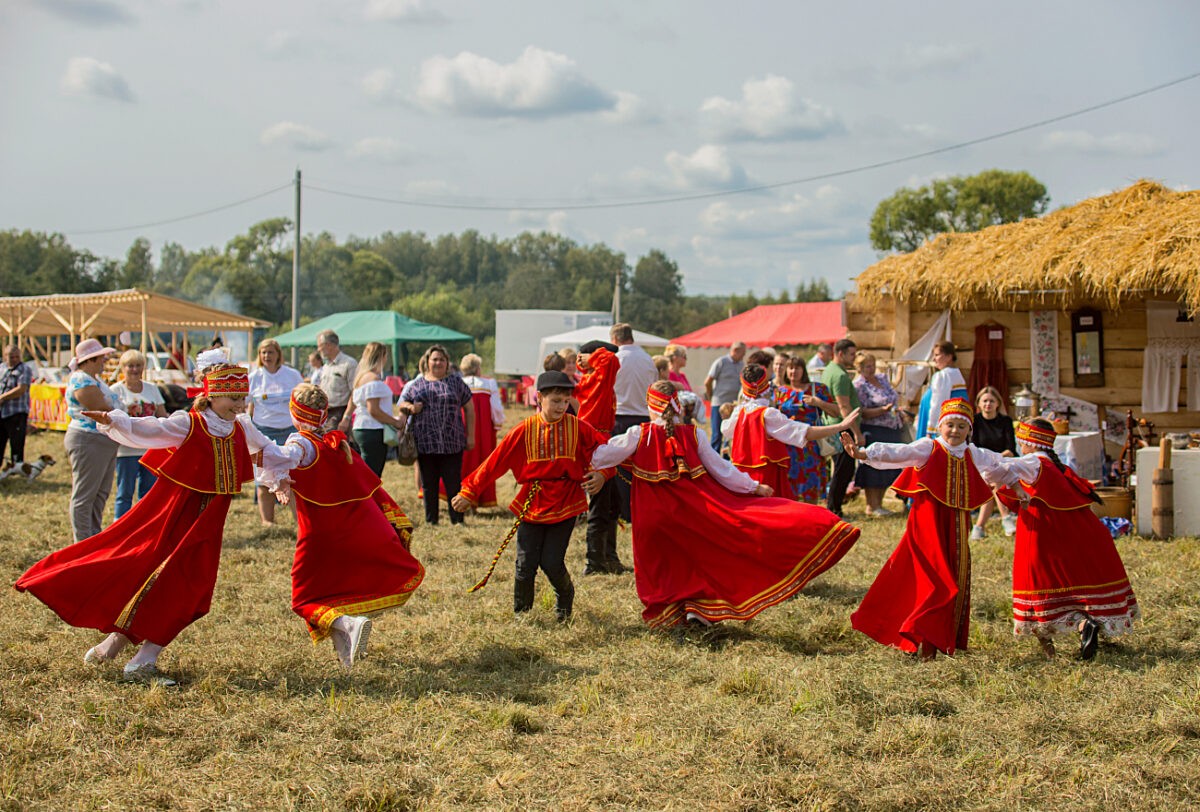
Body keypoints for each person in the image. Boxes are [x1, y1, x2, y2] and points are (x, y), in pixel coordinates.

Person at [15, 356, 294, 685]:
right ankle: (138, 656)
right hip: (175, 514)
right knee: (149, 571)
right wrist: (114, 420)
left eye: (242, 398)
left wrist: (286, 473)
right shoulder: (191, 422)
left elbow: (267, 450)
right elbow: (152, 429)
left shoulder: (240, 426)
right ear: (215, 395)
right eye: (234, 398)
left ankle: (121, 648)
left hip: (209, 521)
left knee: (187, 586)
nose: (239, 405)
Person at [590, 381, 862, 629]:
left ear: (650, 405)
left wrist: (589, 439)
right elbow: (722, 470)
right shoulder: (694, 435)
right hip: (692, 514)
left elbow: (601, 456)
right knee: (701, 559)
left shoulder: (639, 434)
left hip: (653, 517)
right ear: (676, 404)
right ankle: (699, 609)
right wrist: (754, 487)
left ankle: (668, 613)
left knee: (662, 565)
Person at [266, 384, 424, 671]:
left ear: (294, 414)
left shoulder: (300, 444)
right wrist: (278, 480)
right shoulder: (333, 444)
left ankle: (348, 623)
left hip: (315, 535)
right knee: (331, 594)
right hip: (343, 531)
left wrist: (259, 458)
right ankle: (346, 663)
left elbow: (283, 457)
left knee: (302, 600)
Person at [842, 398, 1010, 659]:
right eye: (950, 425)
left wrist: (1023, 466)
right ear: (940, 426)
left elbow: (997, 465)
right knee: (933, 578)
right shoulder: (928, 448)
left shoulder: (972, 453)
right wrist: (863, 454)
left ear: (969, 431)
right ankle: (919, 638)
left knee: (953, 575)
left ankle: (937, 640)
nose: (954, 431)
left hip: (956, 527)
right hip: (927, 526)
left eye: (961, 427)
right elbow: (898, 453)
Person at [452, 371, 611, 620]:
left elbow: (605, 450)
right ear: (539, 398)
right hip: (533, 502)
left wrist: (603, 474)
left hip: (566, 501)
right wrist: (469, 490)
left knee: (551, 562)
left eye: (566, 401)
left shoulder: (579, 427)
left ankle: (565, 597)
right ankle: (522, 615)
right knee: (525, 564)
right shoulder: (523, 430)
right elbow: (495, 462)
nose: (561, 406)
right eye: (556, 400)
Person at [992, 418, 1140, 659]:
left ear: (1027, 443)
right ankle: (1084, 627)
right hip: (1075, 536)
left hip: (1040, 535)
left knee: (1038, 589)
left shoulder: (1032, 463)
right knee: (1071, 592)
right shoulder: (1059, 468)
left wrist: (974, 458)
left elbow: (999, 469)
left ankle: (1050, 653)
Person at [722, 364, 859, 501]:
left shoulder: (740, 412)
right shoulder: (767, 414)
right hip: (767, 477)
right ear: (765, 387)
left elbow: (725, 430)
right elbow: (805, 433)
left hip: (743, 477)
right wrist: (840, 426)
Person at [399, 344, 474, 526]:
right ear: (427, 362)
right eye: (434, 359)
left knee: (453, 484)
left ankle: (457, 520)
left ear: (447, 362)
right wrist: (410, 407)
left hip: (452, 442)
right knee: (429, 485)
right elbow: (402, 405)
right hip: (425, 443)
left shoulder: (456, 383)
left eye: (442, 359)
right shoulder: (417, 385)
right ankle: (431, 520)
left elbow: (470, 409)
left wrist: (471, 435)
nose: (438, 362)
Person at [63, 339, 120, 542]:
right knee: (85, 495)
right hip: (88, 440)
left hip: (100, 441)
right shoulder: (81, 379)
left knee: (99, 493)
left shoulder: (92, 379)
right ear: (91, 360)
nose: (104, 360)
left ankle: (92, 537)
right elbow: (98, 406)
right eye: (101, 357)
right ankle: (83, 541)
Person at [576, 339, 623, 575]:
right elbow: (611, 359)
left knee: (612, 504)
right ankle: (594, 562)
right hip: (596, 447)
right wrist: (593, 357)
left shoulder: (595, 380)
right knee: (600, 504)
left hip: (603, 444)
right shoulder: (597, 380)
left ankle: (608, 557)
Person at [248, 338, 305, 526]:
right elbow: (248, 406)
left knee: (292, 479)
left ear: (278, 354)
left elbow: (302, 399)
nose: (267, 356)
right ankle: (268, 522)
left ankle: (299, 520)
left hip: (289, 431)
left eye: (270, 352)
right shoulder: (254, 377)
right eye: (263, 353)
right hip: (263, 432)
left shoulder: (292, 375)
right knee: (264, 480)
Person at [773, 355, 840, 503]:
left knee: (811, 483)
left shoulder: (818, 389)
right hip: (788, 445)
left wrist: (819, 403)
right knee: (790, 484)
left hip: (811, 445)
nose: (793, 371)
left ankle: (811, 513)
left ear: (804, 370)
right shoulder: (779, 392)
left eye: (797, 368)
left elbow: (836, 412)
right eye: (790, 368)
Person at [109, 350, 167, 520]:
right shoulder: (115, 391)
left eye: (138, 366)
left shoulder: (152, 389)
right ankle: (119, 526)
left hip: (150, 449)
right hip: (126, 449)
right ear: (123, 368)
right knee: (124, 492)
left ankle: (143, 525)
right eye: (130, 366)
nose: (134, 369)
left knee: (148, 493)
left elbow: (162, 415)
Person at [851, 352, 905, 517]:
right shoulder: (859, 385)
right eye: (868, 366)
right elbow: (862, 412)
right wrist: (881, 410)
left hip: (891, 428)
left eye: (873, 365)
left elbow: (893, 395)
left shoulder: (881, 379)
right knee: (872, 467)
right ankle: (871, 505)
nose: (871, 369)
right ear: (859, 368)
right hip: (873, 429)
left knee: (886, 466)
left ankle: (879, 504)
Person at [347, 342, 407, 478]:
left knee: (367, 470)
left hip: (362, 428)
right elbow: (373, 410)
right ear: (382, 357)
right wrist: (395, 422)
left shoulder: (361, 379)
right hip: (373, 429)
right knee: (372, 475)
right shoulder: (373, 379)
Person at [970, 385, 1018, 540]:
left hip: (1004, 461)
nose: (987, 404)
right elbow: (973, 448)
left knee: (994, 478)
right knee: (993, 480)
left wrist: (994, 460)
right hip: (981, 464)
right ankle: (1005, 519)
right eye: (984, 401)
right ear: (979, 404)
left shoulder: (1005, 421)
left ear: (998, 403)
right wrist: (988, 462)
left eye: (991, 401)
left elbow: (1010, 449)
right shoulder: (975, 421)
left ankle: (979, 527)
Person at [821, 339, 862, 518]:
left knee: (840, 469)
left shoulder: (830, 370)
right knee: (843, 470)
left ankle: (834, 506)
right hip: (842, 428)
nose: (854, 358)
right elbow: (844, 405)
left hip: (835, 426)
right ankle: (834, 508)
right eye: (851, 354)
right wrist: (857, 433)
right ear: (841, 354)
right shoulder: (840, 375)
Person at [459, 352, 505, 507]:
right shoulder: (489, 383)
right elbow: (496, 408)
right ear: (478, 367)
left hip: (462, 428)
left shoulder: (458, 382)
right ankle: (479, 497)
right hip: (483, 429)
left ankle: (461, 496)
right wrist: (497, 424)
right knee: (482, 462)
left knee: (463, 462)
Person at [918, 340, 968, 439]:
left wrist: (931, 430)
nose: (934, 358)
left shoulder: (942, 375)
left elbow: (938, 403)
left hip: (937, 429)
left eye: (937, 355)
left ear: (949, 357)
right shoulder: (956, 374)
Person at [704, 342, 746, 453]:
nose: (744, 356)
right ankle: (713, 459)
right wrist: (711, 395)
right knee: (717, 434)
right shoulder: (721, 362)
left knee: (731, 434)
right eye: (743, 353)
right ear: (736, 350)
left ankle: (727, 460)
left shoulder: (741, 365)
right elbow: (708, 381)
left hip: (733, 406)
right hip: (719, 403)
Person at [315, 330, 357, 433]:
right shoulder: (326, 366)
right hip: (325, 414)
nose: (318, 349)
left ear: (328, 345)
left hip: (340, 413)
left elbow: (355, 392)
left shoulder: (349, 364)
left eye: (320, 346)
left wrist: (346, 418)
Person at [0, 343, 33, 464]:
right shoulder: (1, 368)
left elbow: (21, 389)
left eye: (16, 357)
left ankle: (17, 468)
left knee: (17, 444)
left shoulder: (25, 369)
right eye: (11, 357)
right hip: (2, 413)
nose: (14, 359)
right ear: (5, 356)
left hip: (16, 412)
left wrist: (3, 398)